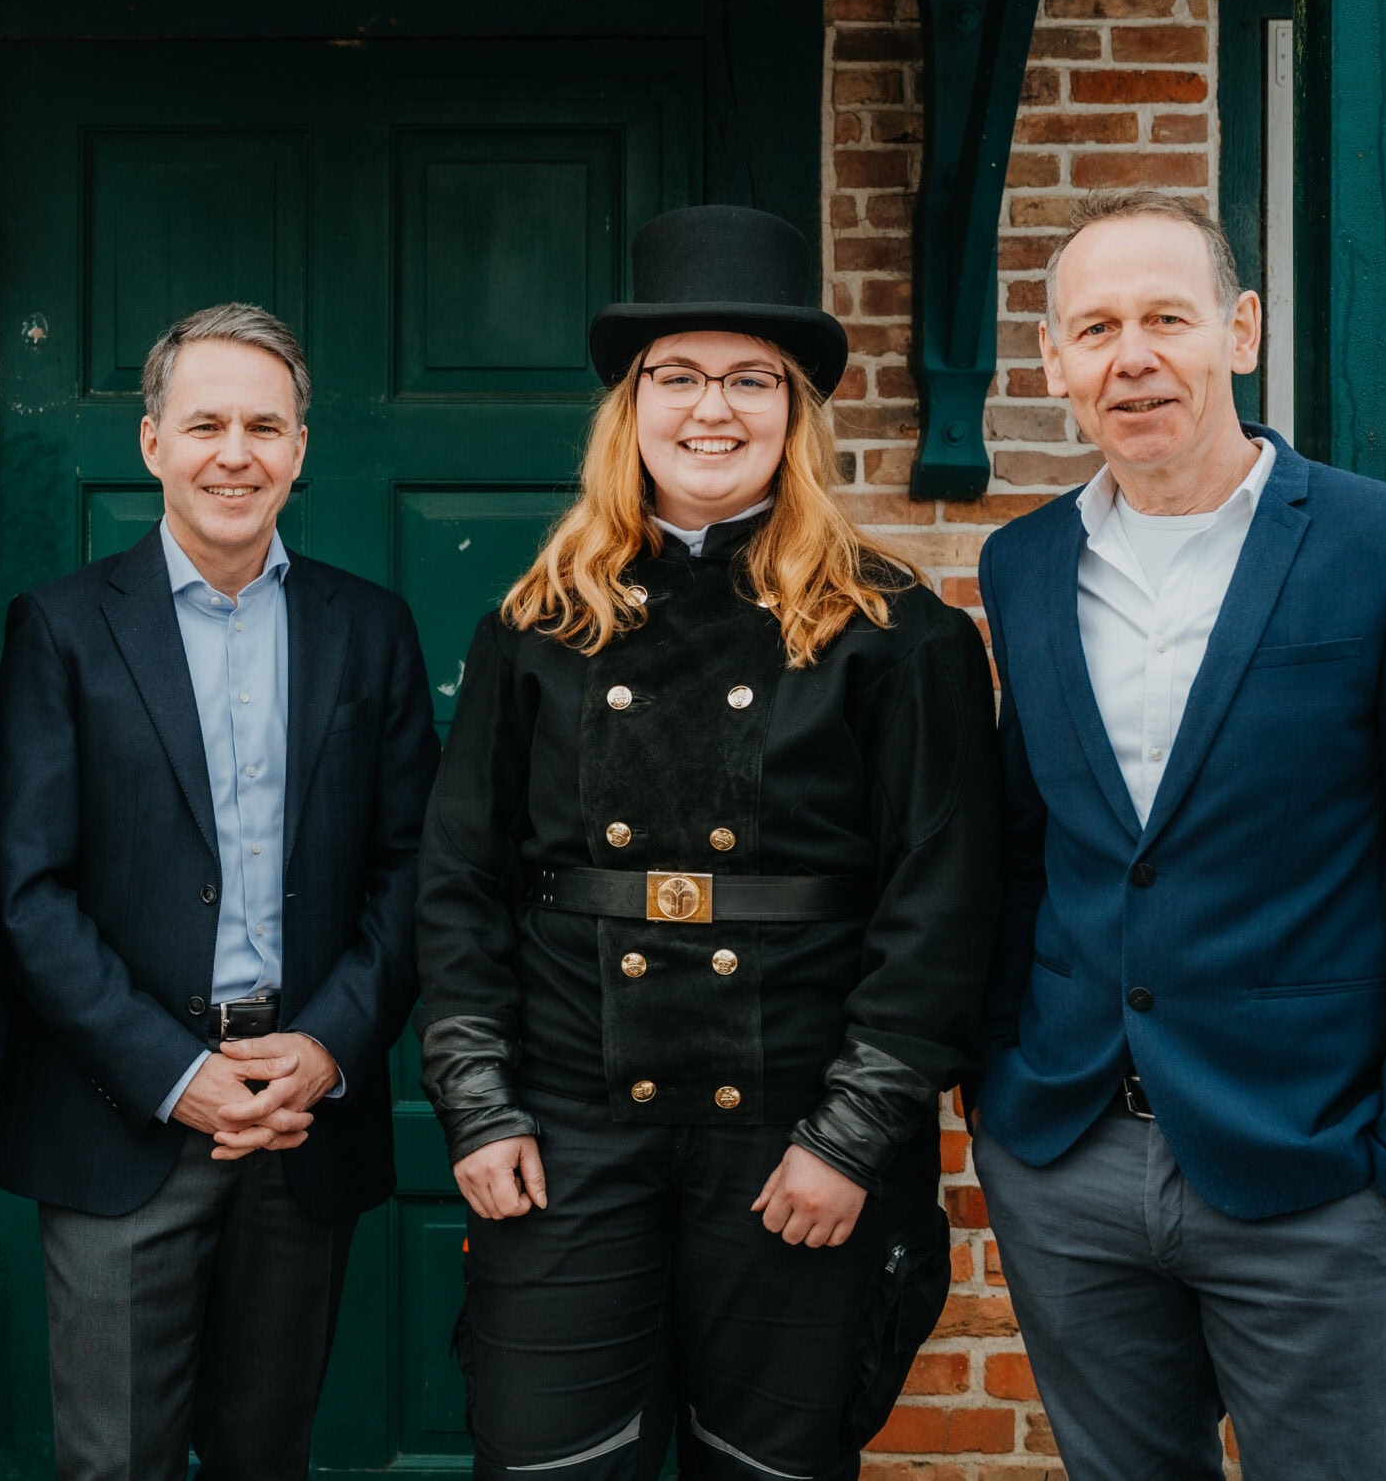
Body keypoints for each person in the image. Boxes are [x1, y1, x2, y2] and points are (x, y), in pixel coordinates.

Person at [417, 205, 1002, 1481]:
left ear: (797, 413)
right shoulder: (534, 622)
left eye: (750, 380)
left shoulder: (899, 634)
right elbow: (459, 883)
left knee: (768, 1466)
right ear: (629, 407)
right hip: (566, 1129)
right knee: (547, 1459)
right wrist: (476, 1102)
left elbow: (943, 904)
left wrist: (853, 1134)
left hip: (795, 1137)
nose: (711, 410)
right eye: (675, 377)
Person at [971, 191, 1386, 1480]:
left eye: (1166, 316)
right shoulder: (1024, 566)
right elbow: (1022, 843)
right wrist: (997, 1095)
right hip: (1067, 1158)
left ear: (1241, 329)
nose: (1132, 356)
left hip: (1314, 1170)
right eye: (1095, 327)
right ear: (1053, 360)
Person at [0, 303, 439, 1481]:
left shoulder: (370, 629)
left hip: (301, 1118)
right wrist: (174, 1074)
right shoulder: (63, 629)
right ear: (152, 445)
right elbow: (27, 892)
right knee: (113, 1462)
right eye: (205, 423)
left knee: (265, 1455)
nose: (233, 451)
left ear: (298, 448)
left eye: (263, 424)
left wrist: (332, 1044)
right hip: (122, 1112)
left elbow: (414, 869)